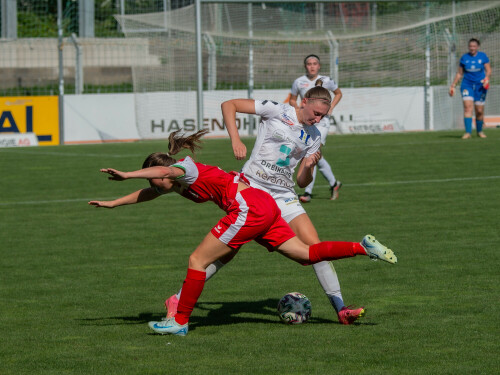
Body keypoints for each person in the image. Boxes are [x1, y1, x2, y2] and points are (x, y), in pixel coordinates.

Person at [89, 129, 397, 336]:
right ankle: (361, 247)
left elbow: (165, 173)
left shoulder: (185, 168)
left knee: (197, 260)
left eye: (156, 181)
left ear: (164, 173)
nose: (156, 187)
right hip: (264, 206)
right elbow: (151, 192)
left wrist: (127, 173)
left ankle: (180, 322)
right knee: (305, 255)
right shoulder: (173, 183)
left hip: (249, 208)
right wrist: (114, 203)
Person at [163, 83, 367, 326]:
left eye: (323, 116)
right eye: (316, 113)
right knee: (226, 253)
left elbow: (302, 181)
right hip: (252, 190)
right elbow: (229, 105)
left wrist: (310, 166)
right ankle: (177, 299)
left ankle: (341, 309)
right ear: (304, 102)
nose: (319, 119)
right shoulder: (277, 110)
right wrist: (236, 140)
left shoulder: (314, 136)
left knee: (315, 248)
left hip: (284, 195)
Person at [289, 54, 343, 202]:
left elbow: (338, 93)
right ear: (305, 66)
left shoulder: (326, 80)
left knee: (311, 152)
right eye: (309, 64)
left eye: (314, 63)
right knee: (316, 156)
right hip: (308, 120)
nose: (312, 66)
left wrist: (330, 108)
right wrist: (298, 107)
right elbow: (292, 99)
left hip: (323, 122)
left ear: (319, 66)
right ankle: (334, 184)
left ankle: (307, 192)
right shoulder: (298, 82)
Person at [449, 38, 491, 139]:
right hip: (467, 85)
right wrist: (453, 85)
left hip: (480, 85)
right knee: (467, 107)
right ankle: (468, 132)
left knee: (479, 110)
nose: (472, 48)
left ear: (477, 47)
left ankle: (479, 131)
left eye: (474, 46)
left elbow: (488, 70)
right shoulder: (464, 58)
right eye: (470, 46)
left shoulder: (483, 56)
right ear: (468, 47)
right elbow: (459, 73)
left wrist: (486, 78)